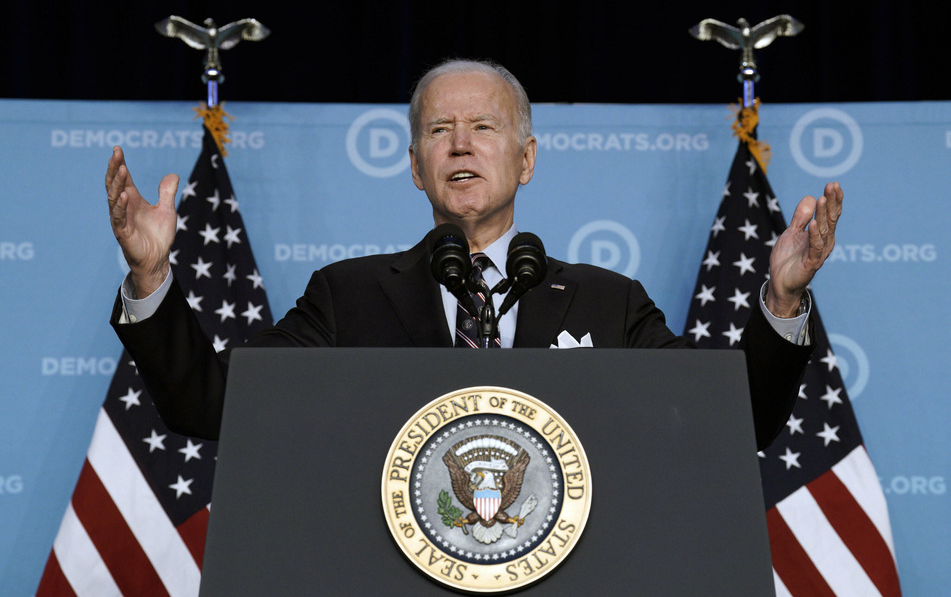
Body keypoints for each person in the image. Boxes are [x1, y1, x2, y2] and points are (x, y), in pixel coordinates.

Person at [106, 59, 842, 447]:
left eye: (483, 128)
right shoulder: (347, 297)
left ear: (524, 160)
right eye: (438, 130)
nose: (460, 143)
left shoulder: (606, 301)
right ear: (415, 164)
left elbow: (729, 419)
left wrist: (780, 300)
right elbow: (210, 405)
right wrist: (150, 276)